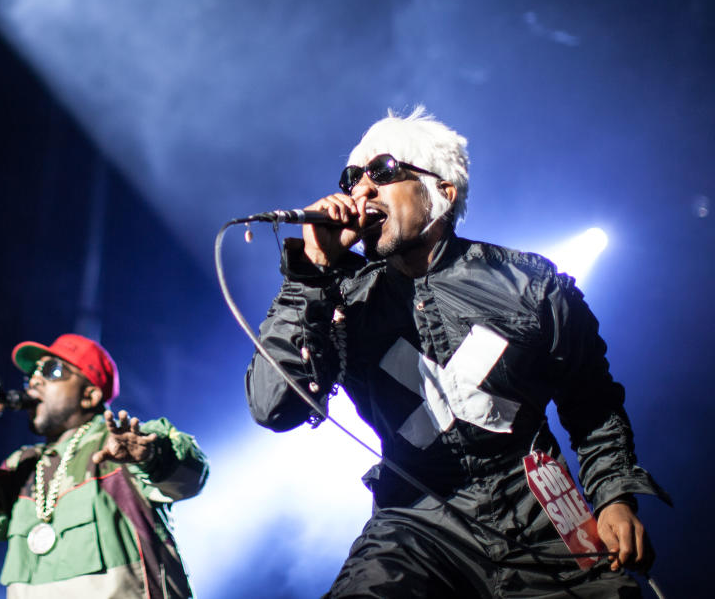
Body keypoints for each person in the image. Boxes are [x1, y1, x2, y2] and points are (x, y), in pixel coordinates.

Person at [245, 107, 670, 597]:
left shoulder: (530, 285)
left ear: (442, 192)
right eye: (353, 178)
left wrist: (615, 496)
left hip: (542, 524)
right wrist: (311, 277)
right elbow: (272, 406)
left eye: (382, 172)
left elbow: (592, 404)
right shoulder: (343, 300)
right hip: (415, 529)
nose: (361, 189)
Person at [0, 333, 208, 599]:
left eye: (52, 371)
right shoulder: (23, 466)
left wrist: (150, 456)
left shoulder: (120, 446)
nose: (34, 381)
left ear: (90, 395)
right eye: (31, 375)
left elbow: (190, 475)